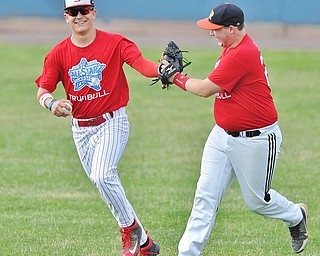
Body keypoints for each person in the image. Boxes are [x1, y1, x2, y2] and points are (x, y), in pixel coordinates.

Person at [159, 3, 309, 255]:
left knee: (257, 202)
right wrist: (177, 78)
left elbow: (206, 89)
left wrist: (176, 77)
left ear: (231, 28)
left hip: (256, 140)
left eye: (215, 29)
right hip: (221, 136)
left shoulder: (242, 53)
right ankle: (187, 252)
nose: (211, 33)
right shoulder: (231, 47)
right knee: (204, 197)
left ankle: (295, 215)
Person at [35, 1, 161, 255]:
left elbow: (142, 65)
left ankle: (130, 234)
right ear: (66, 17)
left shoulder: (115, 43)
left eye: (84, 10)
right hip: (80, 129)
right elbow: (43, 90)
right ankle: (146, 243)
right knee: (103, 183)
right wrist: (52, 104)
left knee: (104, 175)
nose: (79, 16)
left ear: (93, 12)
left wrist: (161, 69)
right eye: (73, 12)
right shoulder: (58, 53)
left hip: (112, 121)